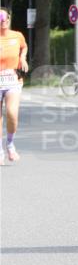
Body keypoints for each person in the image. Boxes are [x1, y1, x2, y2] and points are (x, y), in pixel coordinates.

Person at [0, 9, 29, 165]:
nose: (3, 20)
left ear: (9, 19)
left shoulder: (17, 36)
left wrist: (22, 58)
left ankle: (10, 144)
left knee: (12, 113)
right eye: (0, 18)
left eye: (5, 17)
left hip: (13, 81)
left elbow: (24, 47)